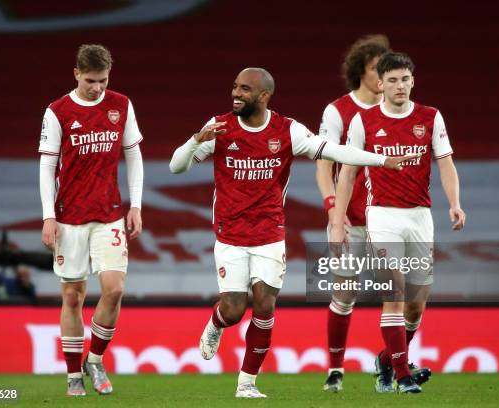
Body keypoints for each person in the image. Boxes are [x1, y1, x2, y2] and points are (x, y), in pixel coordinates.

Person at [169, 67, 417, 398]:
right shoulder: (220, 127)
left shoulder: (287, 130)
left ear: (263, 96)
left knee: (265, 306)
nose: (236, 94)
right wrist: (196, 141)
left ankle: (246, 384)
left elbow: (334, 151)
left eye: (244, 89)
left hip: (270, 235)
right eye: (234, 87)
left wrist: (380, 160)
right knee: (233, 309)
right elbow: (176, 166)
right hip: (230, 235)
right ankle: (216, 324)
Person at [330, 52, 466, 393]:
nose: (400, 86)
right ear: (380, 84)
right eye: (392, 80)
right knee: (394, 290)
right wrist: (337, 218)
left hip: (420, 215)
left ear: (413, 81)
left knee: (417, 302)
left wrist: (455, 204)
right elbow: (347, 173)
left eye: (405, 79)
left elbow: (445, 164)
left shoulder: (431, 117)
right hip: (383, 215)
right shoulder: (363, 122)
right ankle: (403, 376)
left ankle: (387, 360)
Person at [39, 44, 144, 397]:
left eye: (102, 80)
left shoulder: (121, 105)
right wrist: (48, 216)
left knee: (114, 289)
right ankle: (73, 375)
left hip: (109, 213)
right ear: (76, 74)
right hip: (69, 218)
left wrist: (136, 205)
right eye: (90, 80)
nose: (97, 87)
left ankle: (94, 361)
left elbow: (134, 157)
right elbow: (47, 167)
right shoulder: (57, 111)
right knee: (72, 296)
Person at [315, 33, 390, 393]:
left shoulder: (397, 110)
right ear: (361, 70)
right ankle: (335, 369)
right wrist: (333, 211)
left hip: (388, 216)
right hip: (351, 218)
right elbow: (323, 167)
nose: (383, 77)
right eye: (378, 69)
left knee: (403, 297)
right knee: (345, 294)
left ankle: (390, 365)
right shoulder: (338, 111)